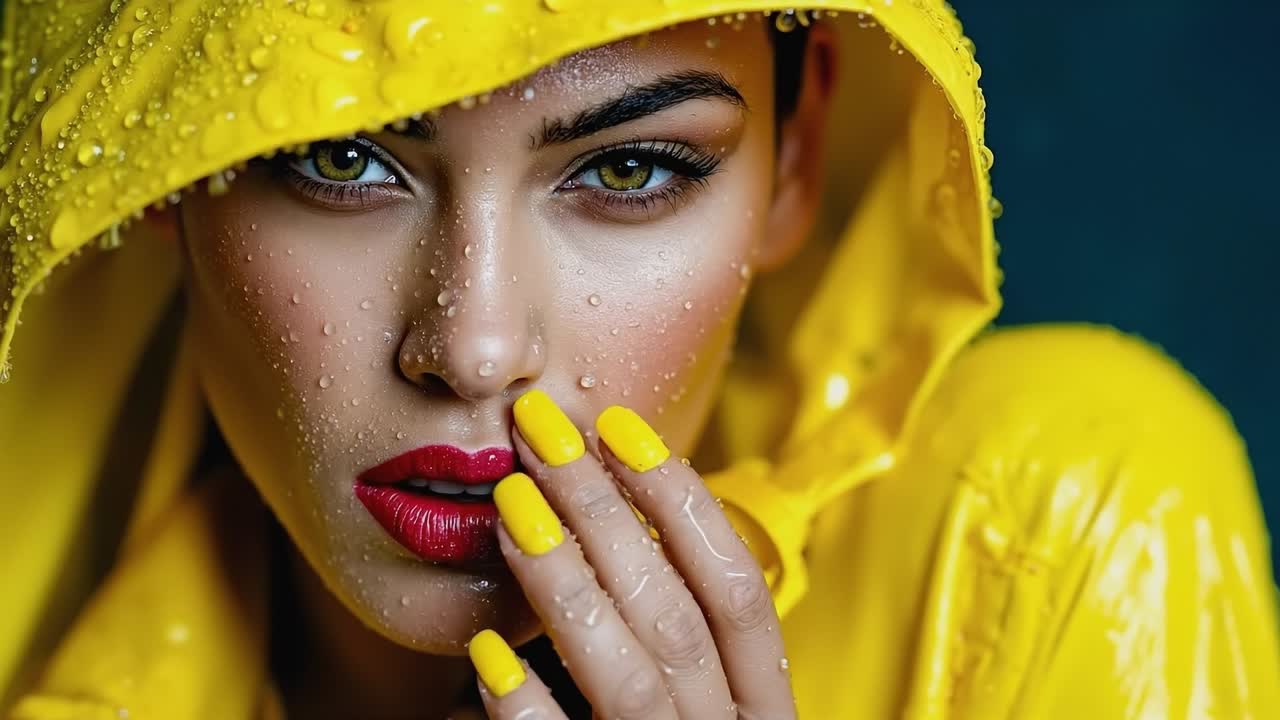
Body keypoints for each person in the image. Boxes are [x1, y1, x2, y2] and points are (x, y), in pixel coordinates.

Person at [1, 2, 1277, 718]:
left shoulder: (1046, 538)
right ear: (162, 171)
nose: (473, 342)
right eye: (340, 159)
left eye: (626, 168)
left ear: (796, 148)